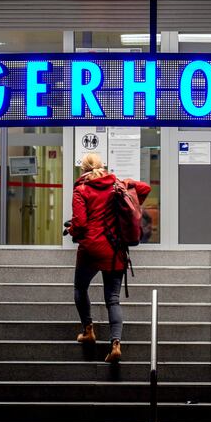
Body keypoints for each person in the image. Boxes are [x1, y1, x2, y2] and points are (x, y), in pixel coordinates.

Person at [66, 152, 151, 363]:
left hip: (91, 249)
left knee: (80, 288)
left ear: (83, 169)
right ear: (103, 166)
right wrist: (126, 181)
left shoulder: (81, 190)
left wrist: (72, 230)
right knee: (113, 299)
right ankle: (115, 345)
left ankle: (88, 331)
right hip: (115, 250)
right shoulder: (116, 185)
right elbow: (144, 189)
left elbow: (81, 223)